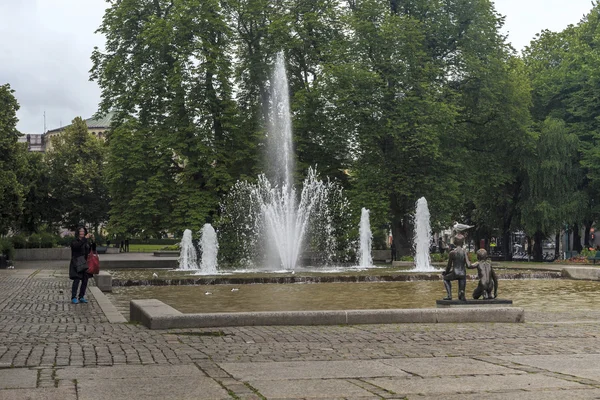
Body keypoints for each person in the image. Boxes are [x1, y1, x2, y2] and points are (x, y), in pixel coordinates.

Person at [442, 234, 470, 301]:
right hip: (463, 274)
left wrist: (446, 273)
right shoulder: (464, 252)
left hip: (455, 273)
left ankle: (449, 295)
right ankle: (462, 293)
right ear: (463, 242)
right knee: (461, 293)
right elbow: (468, 265)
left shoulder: (452, 252)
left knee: (445, 279)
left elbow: (448, 266)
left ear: (454, 242)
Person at [69, 227, 93, 304]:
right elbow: (77, 246)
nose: (82, 232)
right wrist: (85, 239)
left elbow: (90, 250)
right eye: (80, 231)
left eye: (83, 231)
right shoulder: (75, 241)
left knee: (85, 280)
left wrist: (93, 241)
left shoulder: (86, 242)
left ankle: (81, 296)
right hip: (77, 261)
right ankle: (73, 297)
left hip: (85, 262)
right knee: (76, 279)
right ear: (78, 233)